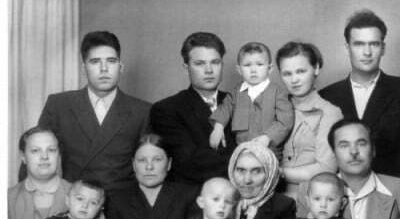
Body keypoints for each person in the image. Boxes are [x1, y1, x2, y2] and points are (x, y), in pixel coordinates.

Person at [38, 31, 150, 192]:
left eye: (111, 61)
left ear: (120, 67)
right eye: (95, 62)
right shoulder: (59, 105)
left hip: (124, 207)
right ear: (84, 68)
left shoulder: (142, 111)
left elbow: (151, 167)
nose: (104, 69)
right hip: (75, 202)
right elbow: (34, 155)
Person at [320, 9, 400, 179]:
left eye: (374, 44)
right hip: (339, 193)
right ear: (347, 48)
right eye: (359, 44)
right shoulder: (327, 95)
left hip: (390, 190)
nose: (367, 52)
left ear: (383, 48)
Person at [150, 32, 233, 185]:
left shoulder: (239, 103)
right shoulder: (166, 109)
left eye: (215, 62)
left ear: (222, 64)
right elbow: (190, 163)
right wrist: (243, 164)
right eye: (200, 63)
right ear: (186, 67)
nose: (209, 70)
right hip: (192, 201)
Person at [276, 41, 343, 198]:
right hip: (270, 198)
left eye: (300, 71)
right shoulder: (275, 107)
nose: (294, 80)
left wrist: (278, 172)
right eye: (287, 74)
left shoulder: (330, 112)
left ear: (316, 68)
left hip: (309, 199)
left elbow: (326, 168)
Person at [208, 42, 294, 159]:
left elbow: (286, 120)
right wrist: (218, 127)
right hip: (242, 151)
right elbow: (225, 108)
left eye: (259, 64)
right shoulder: (236, 92)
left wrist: (268, 137)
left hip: (269, 152)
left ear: (269, 68)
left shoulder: (278, 92)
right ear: (239, 69)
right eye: (247, 65)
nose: (253, 70)